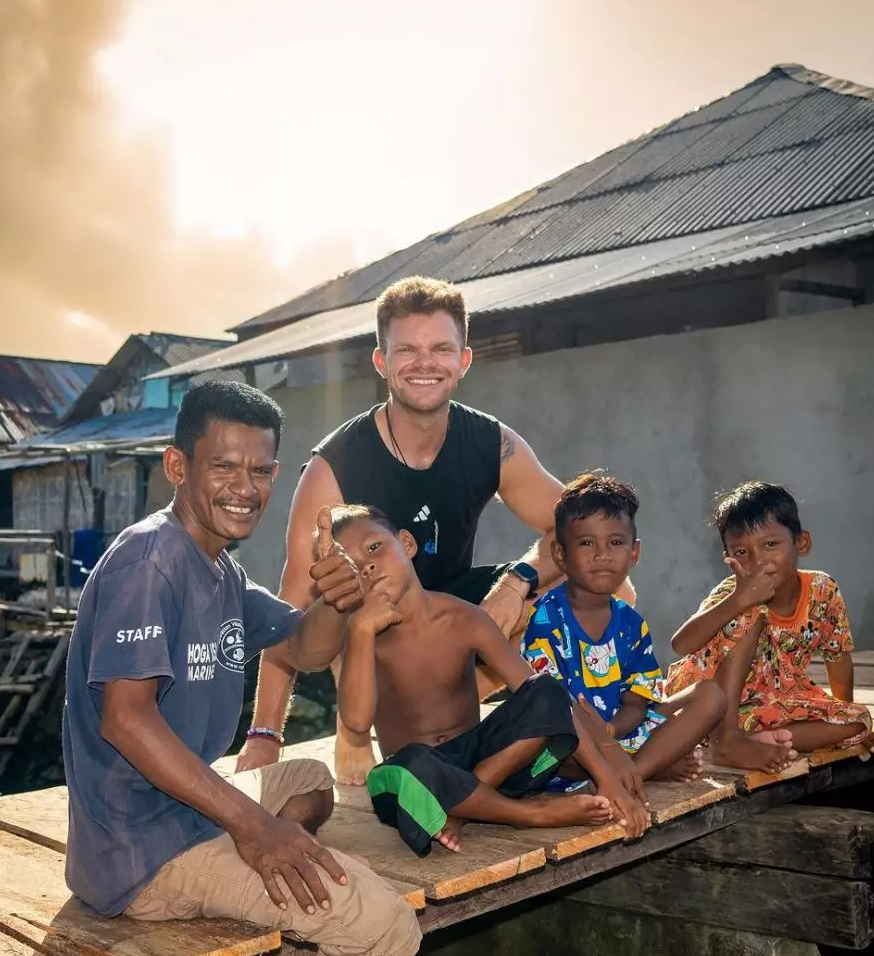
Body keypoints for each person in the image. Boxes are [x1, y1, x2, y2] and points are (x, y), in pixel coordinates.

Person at [63, 381, 438, 956]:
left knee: (304, 779)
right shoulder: (147, 561)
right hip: (139, 851)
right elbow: (126, 721)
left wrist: (336, 597)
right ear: (177, 465)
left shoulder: (219, 570)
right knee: (373, 922)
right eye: (223, 467)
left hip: (180, 814)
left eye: (262, 471)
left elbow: (305, 647)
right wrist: (252, 825)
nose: (245, 487)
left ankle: (268, 874)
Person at [238, 275, 634, 783]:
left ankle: (604, 711)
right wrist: (265, 735)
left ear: (464, 360)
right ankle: (358, 725)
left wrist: (519, 582)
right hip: (373, 631)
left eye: (441, 349)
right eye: (407, 349)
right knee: (339, 604)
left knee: (601, 575)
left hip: (449, 618)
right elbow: (291, 603)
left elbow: (583, 534)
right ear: (381, 362)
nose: (425, 363)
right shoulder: (334, 466)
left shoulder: (491, 443)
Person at [324, 504, 650, 855]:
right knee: (397, 773)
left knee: (547, 690)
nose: (367, 566)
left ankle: (462, 810)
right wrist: (359, 629)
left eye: (374, 548)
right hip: (422, 781)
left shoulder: (464, 617)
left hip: (492, 765)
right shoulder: (361, 637)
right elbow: (356, 723)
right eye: (352, 566)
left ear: (407, 543)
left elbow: (547, 699)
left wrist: (608, 781)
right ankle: (525, 814)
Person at [666, 480, 874, 770]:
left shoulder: (823, 591)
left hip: (771, 702)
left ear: (802, 543)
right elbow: (681, 645)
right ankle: (727, 742)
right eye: (742, 552)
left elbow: (838, 658)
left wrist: (840, 711)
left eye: (770, 544)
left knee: (857, 723)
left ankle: (757, 739)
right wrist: (738, 601)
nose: (759, 561)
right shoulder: (732, 593)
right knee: (750, 614)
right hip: (713, 703)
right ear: (729, 558)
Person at [521, 474, 727, 781]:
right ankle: (646, 766)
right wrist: (600, 737)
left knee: (711, 695)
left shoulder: (631, 623)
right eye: (587, 542)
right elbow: (553, 715)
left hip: (621, 732)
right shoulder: (547, 622)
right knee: (557, 753)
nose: (602, 554)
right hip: (572, 744)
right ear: (560, 555)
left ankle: (635, 770)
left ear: (634, 553)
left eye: (615, 542)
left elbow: (637, 702)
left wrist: (611, 730)